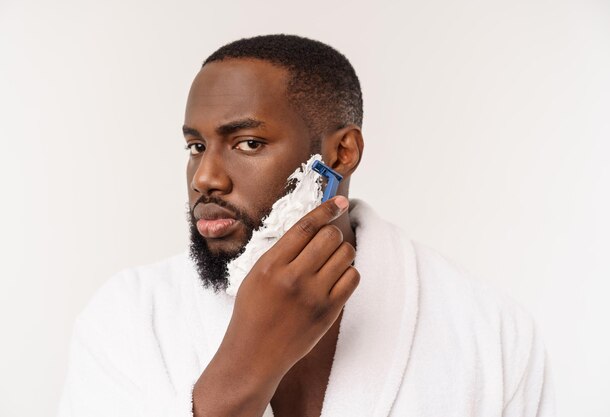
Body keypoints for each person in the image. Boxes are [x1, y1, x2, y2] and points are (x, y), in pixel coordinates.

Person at [58, 34, 555, 417]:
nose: (205, 177)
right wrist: (246, 364)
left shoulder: (489, 333)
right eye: (195, 146)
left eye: (248, 142)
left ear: (342, 153)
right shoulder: (126, 319)